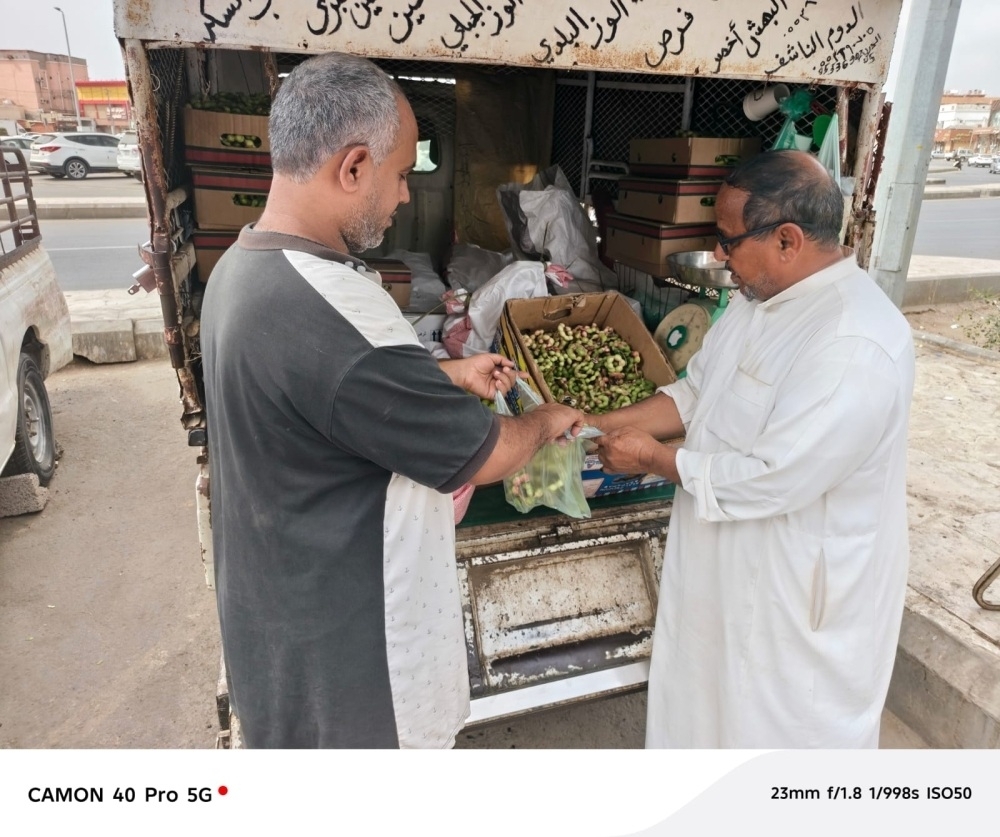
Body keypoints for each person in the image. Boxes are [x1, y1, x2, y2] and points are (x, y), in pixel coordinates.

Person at [200, 52, 583, 749]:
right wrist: (544, 419)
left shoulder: (242, 267)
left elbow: (326, 393)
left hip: (283, 633)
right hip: (360, 678)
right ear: (353, 167)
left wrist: (446, 375)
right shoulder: (337, 307)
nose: (406, 195)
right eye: (403, 173)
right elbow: (486, 454)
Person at [592, 150, 915, 748]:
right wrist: (594, 423)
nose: (718, 255)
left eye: (727, 240)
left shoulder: (853, 341)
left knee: (776, 748)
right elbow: (697, 394)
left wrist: (652, 459)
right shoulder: (755, 303)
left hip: (791, 602)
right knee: (703, 720)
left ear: (787, 240)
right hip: (724, 573)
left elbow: (773, 477)